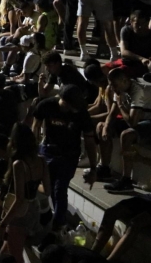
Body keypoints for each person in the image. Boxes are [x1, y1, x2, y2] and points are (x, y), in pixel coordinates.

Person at [32, 85, 98, 228]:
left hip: (69, 156)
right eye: (68, 105)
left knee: (60, 190)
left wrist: (94, 167)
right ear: (62, 99)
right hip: (47, 151)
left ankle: (57, 226)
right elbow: (35, 126)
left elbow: (90, 142)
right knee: (48, 189)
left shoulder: (81, 113)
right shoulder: (47, 105)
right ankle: (54, 218)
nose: (71, 110)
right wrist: (34, 150)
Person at [99, 68, 151, 193]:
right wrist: (106, 126)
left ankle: (126, 180)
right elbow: (112, 113)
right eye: (110, 84)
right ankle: (104, 168)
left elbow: (132, 123)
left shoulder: (138, 91)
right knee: (100, 126)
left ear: (124, 81)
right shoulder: (120, 90)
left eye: (114, 84)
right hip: (143, 122)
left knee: (127, 135)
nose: (112, 88)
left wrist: (121, 104)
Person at [0, 124, 50, 263]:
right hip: (34, 209)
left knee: (15, 255)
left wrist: (2, 224)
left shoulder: (18, 164)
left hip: (20, 214)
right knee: (5, 252)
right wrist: (32, 185)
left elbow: (19, 199)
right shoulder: (41, 160)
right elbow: (47, 190)